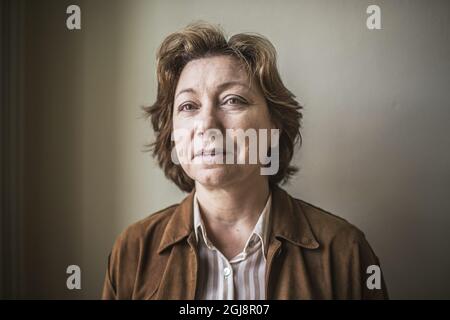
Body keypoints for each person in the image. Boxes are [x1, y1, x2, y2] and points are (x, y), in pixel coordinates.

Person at [102, 22, 388, 300]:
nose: (207, 124)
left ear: (274, 125)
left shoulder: (345, 251)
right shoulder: (133, 250)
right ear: (173, 134)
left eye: (233, 100)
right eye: (189, 106)